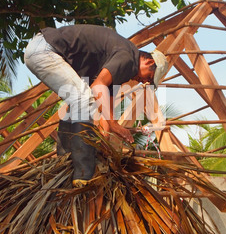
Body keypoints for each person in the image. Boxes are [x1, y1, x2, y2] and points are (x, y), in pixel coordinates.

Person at [24, 24, 168, 187]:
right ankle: (83, 174)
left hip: (42, 49)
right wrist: (114, 125)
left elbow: (107, 107)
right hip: (45, 50)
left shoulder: (121, 68)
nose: (145, 82)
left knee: (77, 103)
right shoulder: (127, 57)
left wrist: (104, 141)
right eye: (149, 77)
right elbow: (98, 86)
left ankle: (65, 159)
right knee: (83, 99)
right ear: (148, 61)